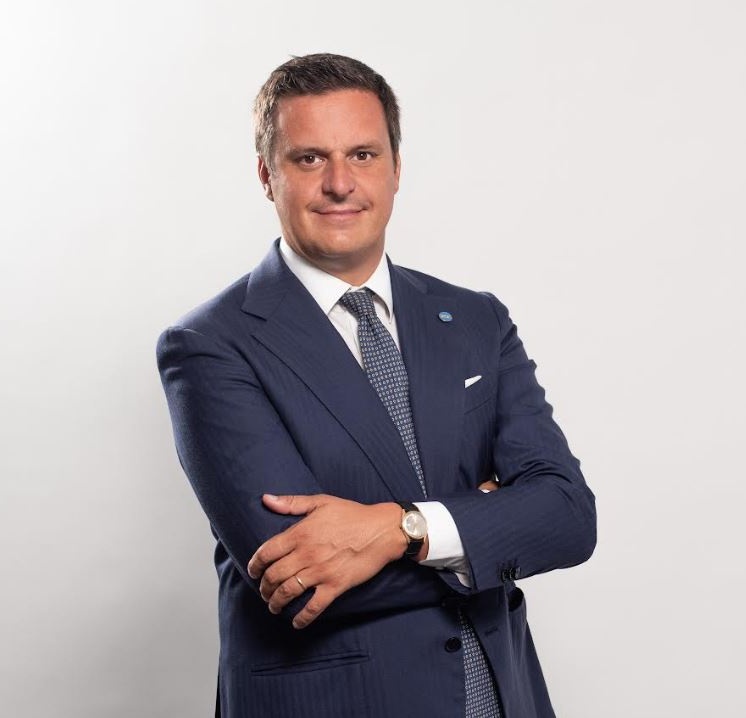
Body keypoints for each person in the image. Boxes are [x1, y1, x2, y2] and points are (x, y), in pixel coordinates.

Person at [156, 53, 596, 718]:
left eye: (362, 155)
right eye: (309, 158)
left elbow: (567, 516)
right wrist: (489, 519)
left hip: (501, 697)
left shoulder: (475, 319)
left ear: (395, 168)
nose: (340, 183)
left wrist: (401, 529)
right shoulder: (210, 345)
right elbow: (300, 580)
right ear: (267, 176)